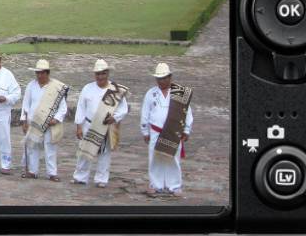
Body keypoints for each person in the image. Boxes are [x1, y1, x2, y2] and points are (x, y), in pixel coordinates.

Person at [74, 59, 130, 188]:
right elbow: (81, 107)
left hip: (105, 126)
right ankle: (80, 177)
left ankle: (101, 179)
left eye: (103, 73)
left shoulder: (115, 90)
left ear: (107, 73)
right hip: (88, 124)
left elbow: (123, 109)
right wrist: (79, 126)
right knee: (85, 152)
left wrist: (114, 118)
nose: (100, 76)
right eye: (97, 74)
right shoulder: (87, 88)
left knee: (104, 154)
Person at [140, 62, 194, 196]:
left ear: (170, 77)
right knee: (154, 158)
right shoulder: (151, 93)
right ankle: (155, 184)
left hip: (173, 131)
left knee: (173, 158)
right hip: (155, 131)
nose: (161, 81)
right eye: (159, 78)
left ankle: (174, 186)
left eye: (164, 77)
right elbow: (145, 113)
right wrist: (145, 131)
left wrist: (186, 130)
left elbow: (187, 113)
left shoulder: (179, 94)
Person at [20, 59, 69, 181]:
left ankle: (52, 173)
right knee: (33, 147)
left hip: (49, 123)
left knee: (50, 148)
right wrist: (23, 121)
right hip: (34, 122)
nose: (40, 75)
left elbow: (62, 107)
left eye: (42, 73)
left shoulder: (56, 88)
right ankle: (32, 171)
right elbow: (25, 104)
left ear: (47, 73)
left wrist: (56, 119)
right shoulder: (31, 85)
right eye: (38, 73)